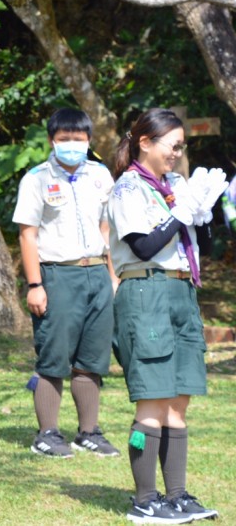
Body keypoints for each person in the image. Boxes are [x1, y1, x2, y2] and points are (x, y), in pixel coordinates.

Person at [108, 108, 225, 524]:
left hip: (181, 290)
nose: (178, 153)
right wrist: (180, 214)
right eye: (172, 145)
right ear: (145, 142)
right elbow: (142, 247)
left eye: (182, 146)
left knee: (178, 402)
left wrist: (209, 214)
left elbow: (204, 246)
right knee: (152, 402)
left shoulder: (177, 184)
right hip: (145, 290)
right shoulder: (127, 189)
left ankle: (176, 495)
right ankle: (145, 500)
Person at [11, 108, 120, 460]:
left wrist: (112, 275)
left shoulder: (101, 175)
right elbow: (27, 235)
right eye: (64, 140)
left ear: (89, 141)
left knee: (92, 358)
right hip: (58, 274)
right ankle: (47, 433)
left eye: (78, 139)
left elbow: (108, 229)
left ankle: (89, 432)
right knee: (54, 356)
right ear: (51, 142)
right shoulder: (36, 179)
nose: (72, 145)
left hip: (97, 274)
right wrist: (35, 284)